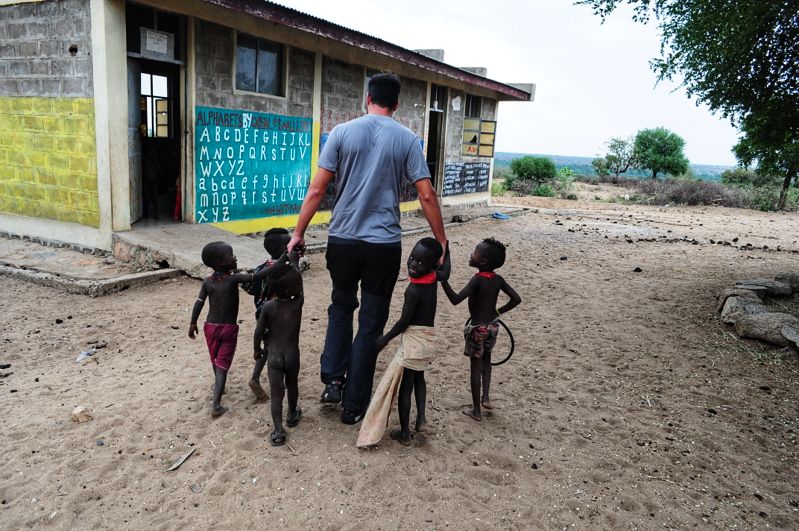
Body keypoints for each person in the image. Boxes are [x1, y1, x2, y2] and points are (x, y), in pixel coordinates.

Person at [287, 72, 447, 425]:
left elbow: (317, 190)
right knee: (371, 322)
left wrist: (298, 232)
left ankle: (333, 380)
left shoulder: (341, 133)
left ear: (368, 98)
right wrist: (441, 240)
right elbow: (426, 194)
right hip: (383, 246)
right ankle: (353, 405)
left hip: (342, 241)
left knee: (341, 307)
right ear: (397, 104)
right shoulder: (408, 140)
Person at [357, 238, 448, 447]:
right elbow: (447, 272)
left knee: (406, 387)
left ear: (432, 265)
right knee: (419, 379)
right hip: (428, 339)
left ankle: (405, 433)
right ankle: (421, 419)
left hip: (413, 342)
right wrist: (446, 247)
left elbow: (404, 322)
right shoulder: (434, 277)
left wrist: (385, 339)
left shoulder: (413, 290)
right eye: (412, 258)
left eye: (421, 262)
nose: (413, 265)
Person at [188, 241, 277, 417]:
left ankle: (219, 386)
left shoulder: (207, 282)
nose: (235, 257)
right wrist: (276, 264)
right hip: (228, 329)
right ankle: (216, 405)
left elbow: (199, 303)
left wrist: (193, 323)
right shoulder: (233, 279)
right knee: (223, 365)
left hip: (209, 327)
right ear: (222, 262)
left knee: (215, 359)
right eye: (231, 255)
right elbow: (255, 277)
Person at [441, 238, 521, 421]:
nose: (471, 254)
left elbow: (455, 299)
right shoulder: (498, 279)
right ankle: (486, 397)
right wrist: (497, 312)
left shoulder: (477, 280)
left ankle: (476, 411)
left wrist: (443, 280)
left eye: (475, 252)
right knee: (487, 361)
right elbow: (516, 299)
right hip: (493, 327)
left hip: (478, 329)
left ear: (483, 261)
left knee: (475, 368)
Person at [253, 253, 304, 446]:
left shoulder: (268, 307)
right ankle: (291, 414)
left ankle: (278, 430)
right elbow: (299, 282)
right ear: (292, 289)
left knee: (276, 394)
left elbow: (258, 332)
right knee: (292, 385)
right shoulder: (297, 304)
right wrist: (294, 261)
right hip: (292, 355)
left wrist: (257, 349)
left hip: (274, 357)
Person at [241, 228, 291, 401]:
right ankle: (277, 380)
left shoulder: (263, 267)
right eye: (289, 244)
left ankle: (256, 377)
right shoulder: (284, 268)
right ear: (281, 249)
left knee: (268, 347)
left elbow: (250, 287)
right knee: (280, 348)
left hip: (261, 314)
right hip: (279, 315)